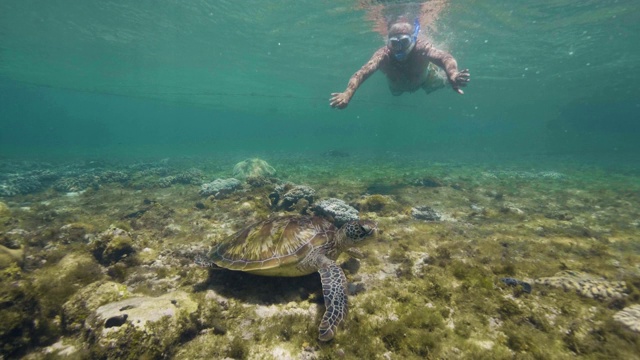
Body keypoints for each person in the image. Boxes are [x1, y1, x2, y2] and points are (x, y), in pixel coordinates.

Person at [329, 17, 470, 109]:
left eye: (404, 42)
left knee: (441, 82)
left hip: (427, 79)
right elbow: (362, 73)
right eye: (394, 43)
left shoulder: (422, 48)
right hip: (397, 88)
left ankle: (446, 80)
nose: (399, 48)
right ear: (388, 42)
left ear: (413, 39)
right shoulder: (383, 55)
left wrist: (453, 74)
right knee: (396, 93)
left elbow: (445, 57)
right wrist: (347, 93)